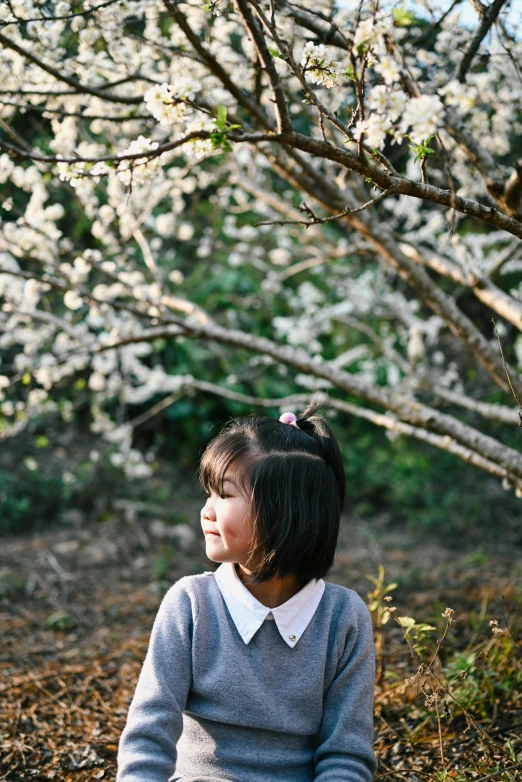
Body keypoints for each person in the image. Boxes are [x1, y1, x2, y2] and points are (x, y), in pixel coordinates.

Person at [116, 398, 376, 782]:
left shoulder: (343, 618)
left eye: (224, 494)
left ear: (284, 512)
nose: (207, 510)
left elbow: (346, 754)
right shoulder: (190, 604)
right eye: (209, 493)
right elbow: (148, 735)